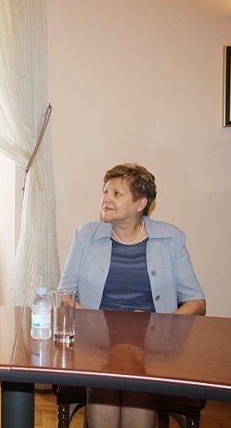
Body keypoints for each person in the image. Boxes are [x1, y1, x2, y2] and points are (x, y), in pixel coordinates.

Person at [58, 162, 206, 428]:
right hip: (97, 340)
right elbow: (65, 294)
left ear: (140, 203)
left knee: (137, 386)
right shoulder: (86, 235)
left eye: (116, 194)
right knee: (103, 384)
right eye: (105, 192)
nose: (106, 199)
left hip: (152, 342)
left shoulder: (171, 239)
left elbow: (196, 302)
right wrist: (91, 320)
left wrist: (162, 324)